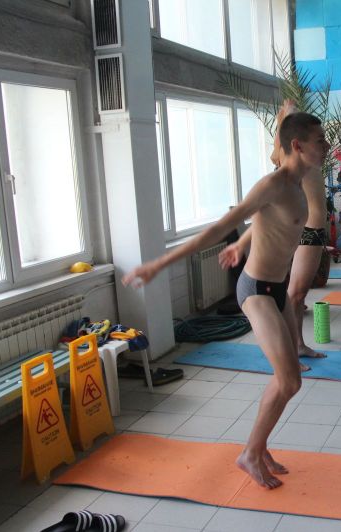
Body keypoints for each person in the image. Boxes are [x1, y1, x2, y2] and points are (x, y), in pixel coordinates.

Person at [122, 112, 330, 489]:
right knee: (287, 380)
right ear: (297, 145)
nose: (326, 146)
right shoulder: (272, 184)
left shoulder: (299, 183)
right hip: (256, 290)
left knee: (291, 380)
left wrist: (242, 243)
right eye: (320, 140)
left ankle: (259, 447)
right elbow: (221, 225)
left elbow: (266, 221)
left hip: (278, 288)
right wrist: (159, 264)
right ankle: (249, 454)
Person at [220, 100, 328, 372]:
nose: (323, 145)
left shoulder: (311, 158)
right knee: (296, 292)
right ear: (294, 144)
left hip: (315, 231)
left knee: (300, 293)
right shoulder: (289, 166)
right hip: (305, 231)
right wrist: (285, 116)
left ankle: (297, 346)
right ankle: (294, 348)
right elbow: (261, 212)